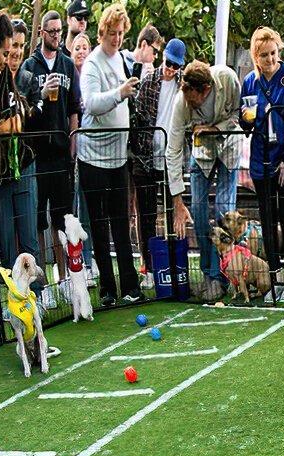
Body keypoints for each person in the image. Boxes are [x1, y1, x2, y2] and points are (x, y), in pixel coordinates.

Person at [77, 3, 141, 306]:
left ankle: (131, 284)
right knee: (100, 224)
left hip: (118, 156)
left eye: (120, 33)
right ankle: (107, 289)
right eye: (112, 33)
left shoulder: (119, 59)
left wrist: (129, 92)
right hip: (93, 157)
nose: (116, 38)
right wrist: (120, 94)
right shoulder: (92, 63)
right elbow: (90, 104)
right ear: (102, 31)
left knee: (121, 221)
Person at [166, 60, 242, 301]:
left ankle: (227, 274)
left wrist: (214, 128)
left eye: (194, 99)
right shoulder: (182, 102)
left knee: (223, 211)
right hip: (201, 155)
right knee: (198, 211)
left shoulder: (228, 80)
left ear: (206, 89)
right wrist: (177, 200)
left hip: (229, 147)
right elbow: (173, 149)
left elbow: (239, 114)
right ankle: (210, 275)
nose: (189, 103)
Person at [241, 28, 284, 302]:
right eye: (264, 55)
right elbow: (244, 121)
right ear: (255, 56)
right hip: (261, 159)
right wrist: (245, 118)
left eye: (273, 53)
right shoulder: (249, 82)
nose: (269, 59)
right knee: (267, 221)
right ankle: (275, 276)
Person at [23, 10, 82, 308]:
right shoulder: (29, 68)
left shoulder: (68, 65)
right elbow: (24, 109)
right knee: (37, 224)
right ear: (41, 33)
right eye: (52, 32)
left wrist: (74, 142)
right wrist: (41, 94)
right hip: (36, 155)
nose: (57, 36)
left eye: (60, 31)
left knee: (63, 221)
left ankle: (64, 281)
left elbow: (75, 108)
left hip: (61, 154)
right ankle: (42, 284)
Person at [0, 14, 38, 269]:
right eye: (5, 52)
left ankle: (38, 297)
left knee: (29, 240)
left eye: (15, 49)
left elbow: (18, 123)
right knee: (7, 245)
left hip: (20, 162)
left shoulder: (6, 77)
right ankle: (13, 305)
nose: (8, 58)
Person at [122, 26, 161, 296]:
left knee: (144, 212)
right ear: (145, 45)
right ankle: (135, 265)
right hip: (122, 150)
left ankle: (147, 264)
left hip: (140, 152)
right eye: (155, 51)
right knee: (128, 212)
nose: (156, 58)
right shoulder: (123, 62)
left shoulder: (152, 76)